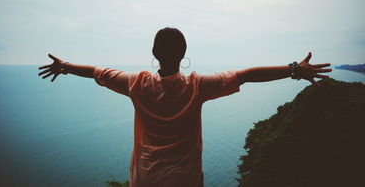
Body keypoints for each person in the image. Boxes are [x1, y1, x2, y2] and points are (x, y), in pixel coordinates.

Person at [38, 27, 331, 187]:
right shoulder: (197, 86)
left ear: (154, 53)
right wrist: (294, 69)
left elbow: (97, 72)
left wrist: (65, 66)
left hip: (144, 178)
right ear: (183, 54)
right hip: (185, 179)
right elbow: (247, 75)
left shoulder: (135, 84)